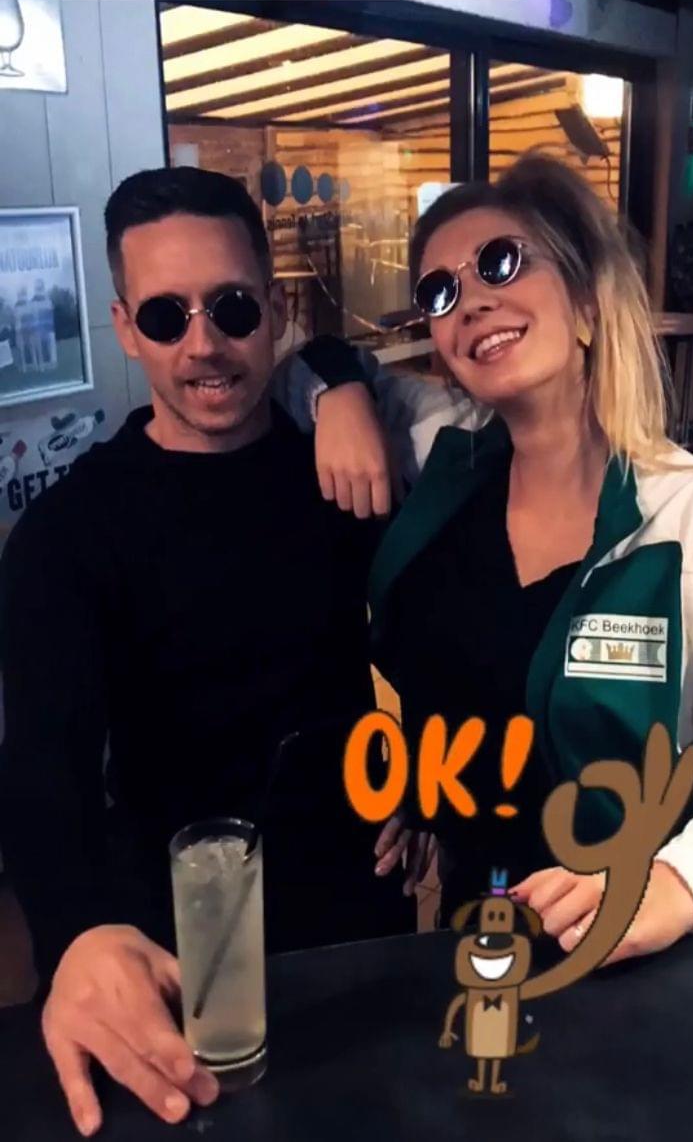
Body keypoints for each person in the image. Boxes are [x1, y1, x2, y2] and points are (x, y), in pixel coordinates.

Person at [310, 152, 693, 961]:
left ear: (587, 299)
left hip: (635, 961)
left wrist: (679, 880)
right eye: (440, 292)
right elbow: (300, 359)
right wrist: (337, 392)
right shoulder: (442, 474)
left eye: (501, 262)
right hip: (473, 939)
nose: (471, 300)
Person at [0, 167, 415, 1137]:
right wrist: (76, 934)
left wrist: (425, 769)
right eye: (164, 315)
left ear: (275, 308)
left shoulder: (343, 474)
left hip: (353, 912)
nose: (203, 344)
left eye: (231, 307)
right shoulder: (69, 534)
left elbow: (439, 630)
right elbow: (44, 769)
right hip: (178, 932)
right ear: (123, 327)